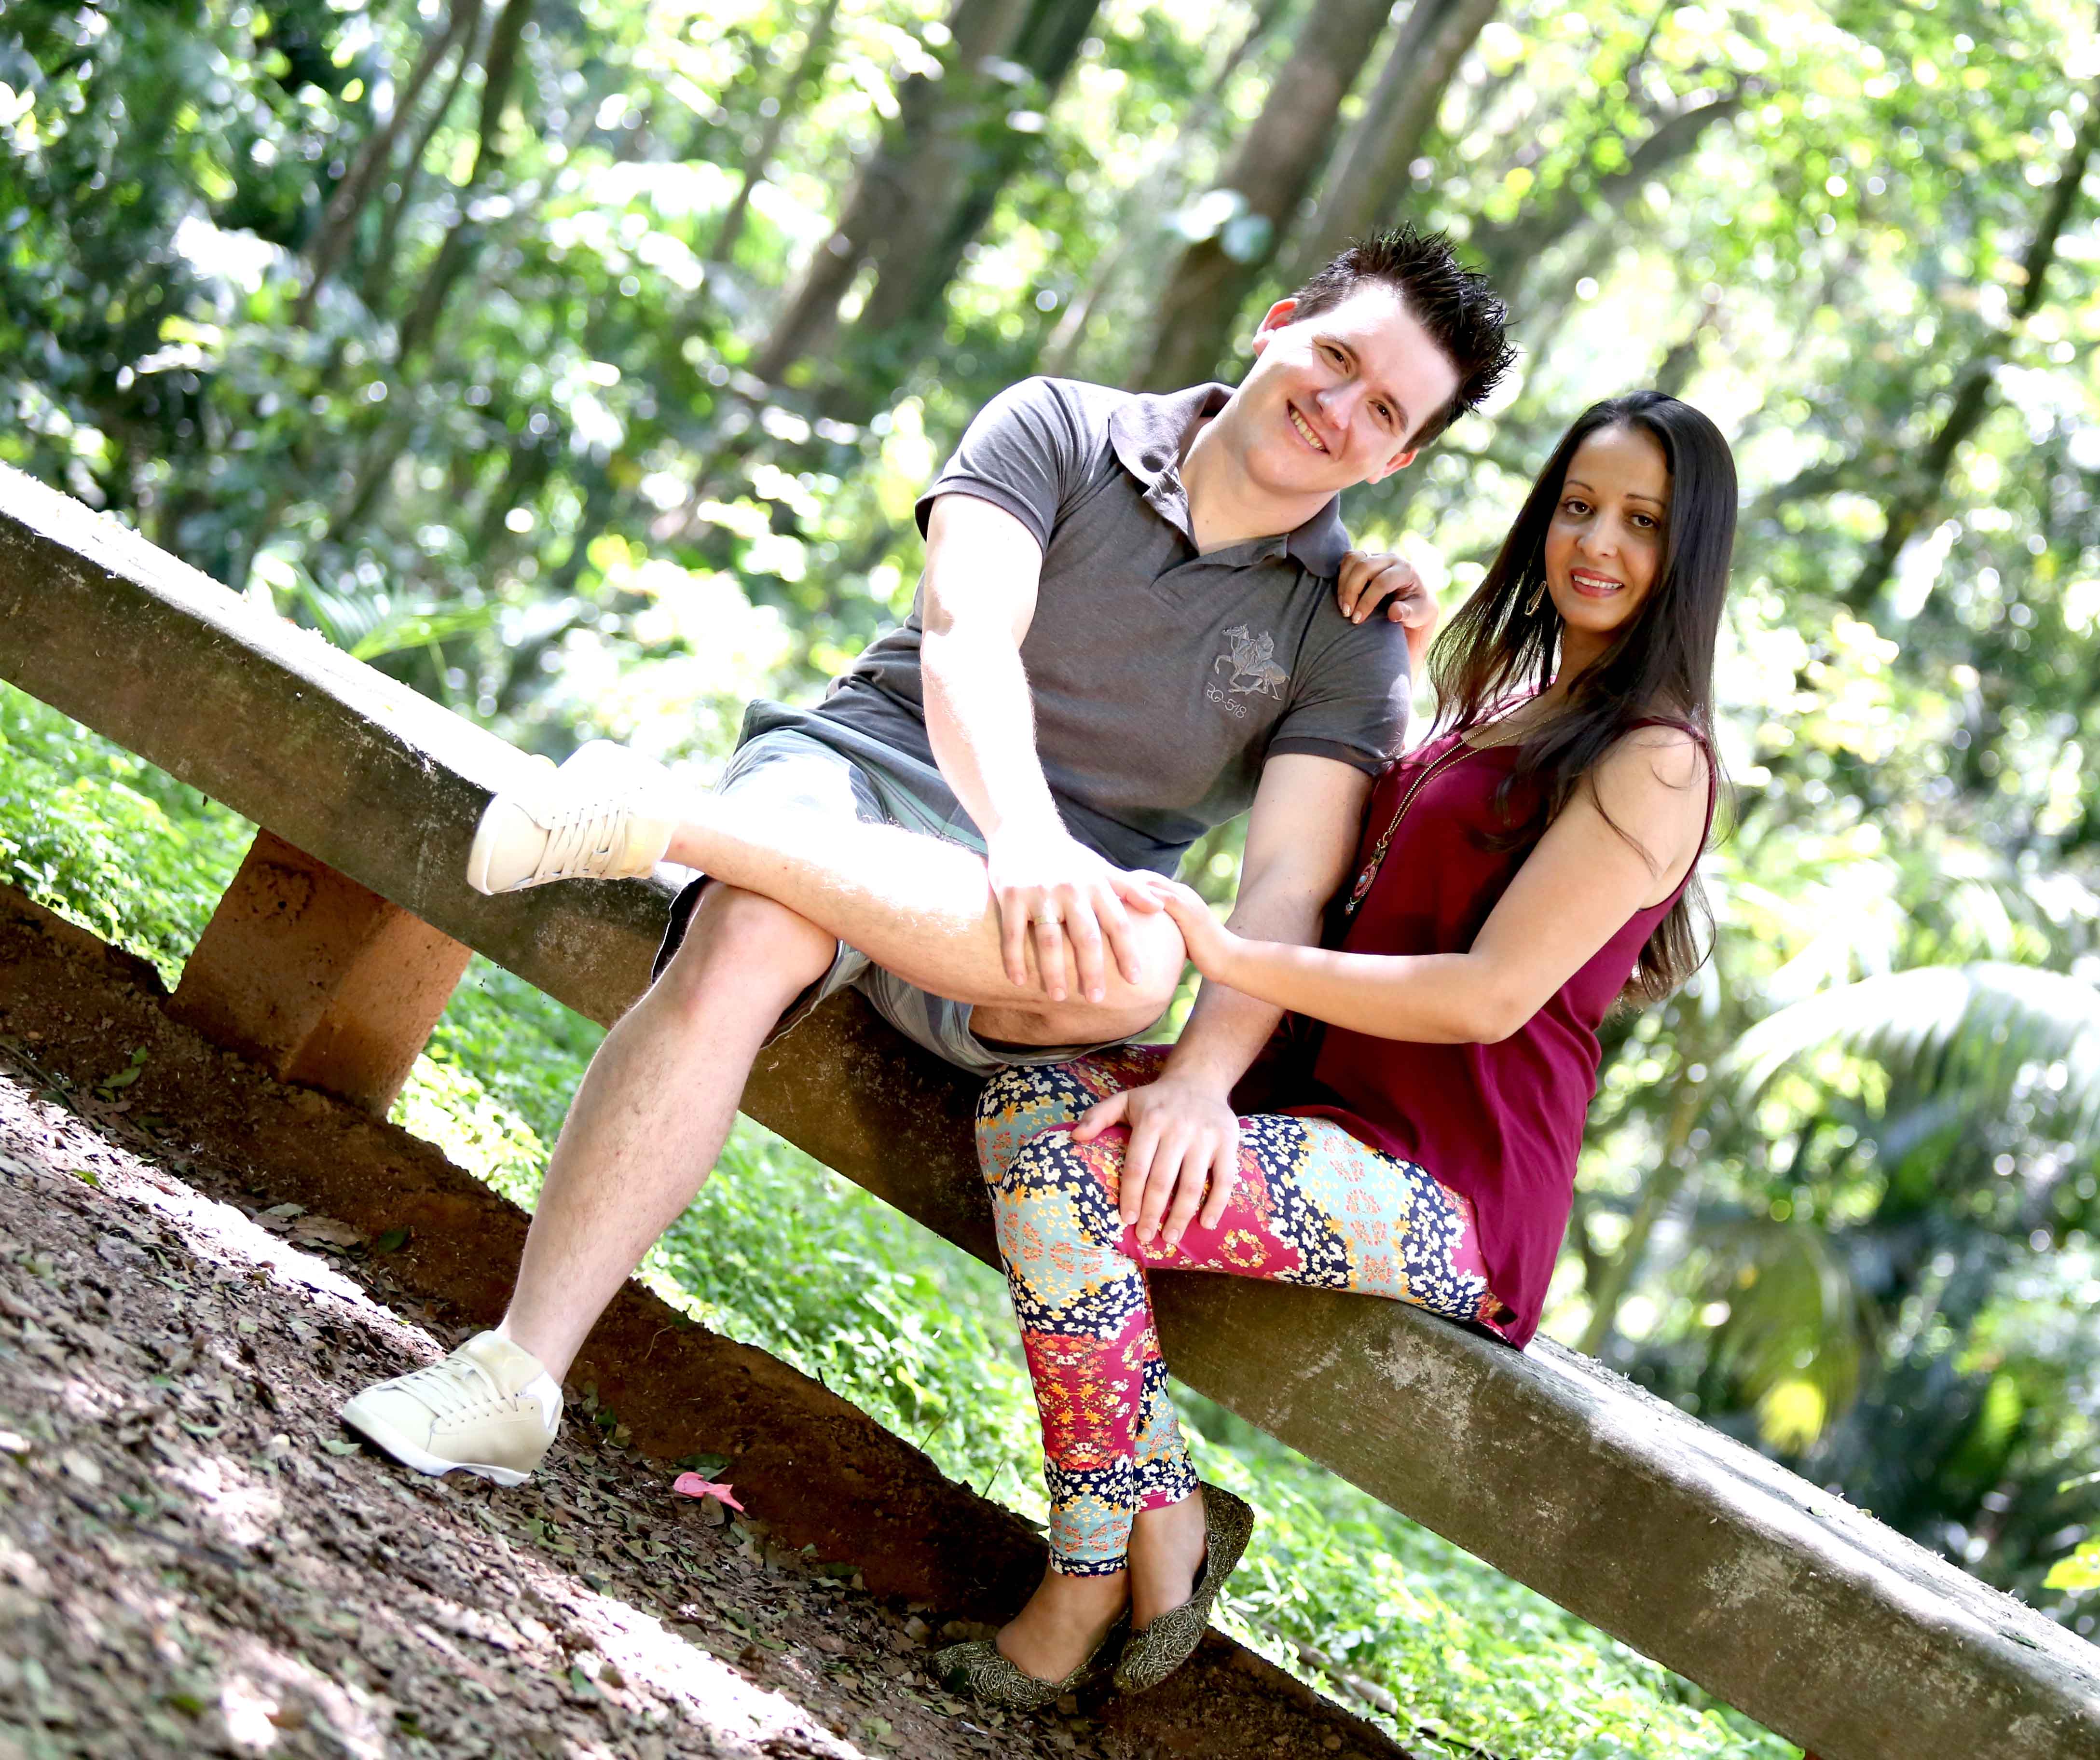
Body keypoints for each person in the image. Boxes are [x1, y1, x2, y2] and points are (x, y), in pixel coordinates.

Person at [336, 229, 1513, 1563]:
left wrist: (1198, 1081)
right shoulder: (1058, 425)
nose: (1339, 407)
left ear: (1398, 460)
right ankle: (515, 1379)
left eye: (1385, 411)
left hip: (1023, 931)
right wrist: (1019, 832)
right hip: (862, 779)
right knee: (754, 927)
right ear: (1278, 322)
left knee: (1141, 967)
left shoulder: (1352, 639)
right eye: (1337, 357)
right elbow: (965, 639)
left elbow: (1287, 890)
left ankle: (660, 819)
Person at [937, 390, 1734, 1705]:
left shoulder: (1657, 761)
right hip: (1322, 1106)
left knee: (1071, 1173)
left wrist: (1235, 958)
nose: (1598, 542)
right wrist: (1401, 648)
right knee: (1036, 1105)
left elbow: (1485, 997)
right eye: (1579, 506)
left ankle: (1084, 1578)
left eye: (1642, 522)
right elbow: (1386, 862)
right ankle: (1169, 1515)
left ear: (1688, 552)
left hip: (1450, 1182)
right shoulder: (1518, 704)